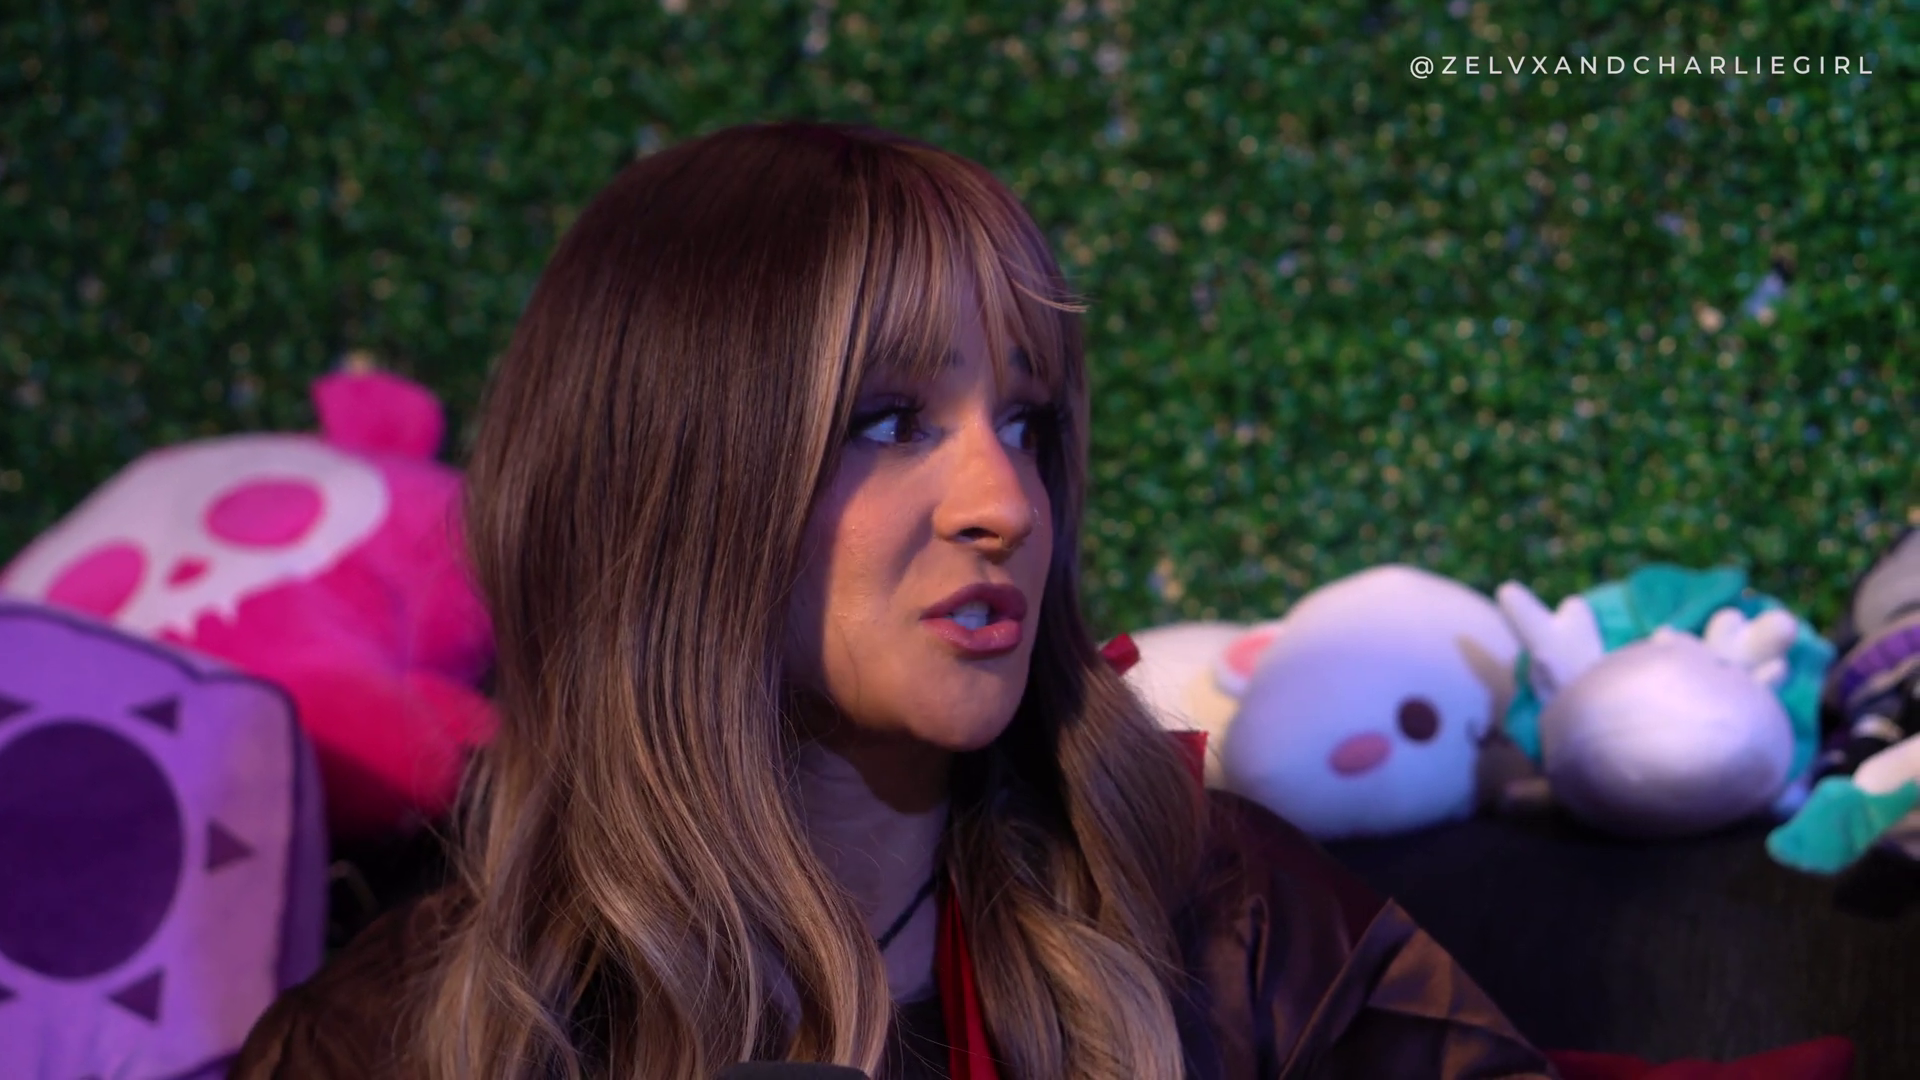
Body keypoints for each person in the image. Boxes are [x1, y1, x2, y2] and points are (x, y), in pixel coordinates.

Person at [232, 121, 1554, 1080]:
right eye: (889, 419)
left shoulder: (1225, 921)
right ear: (664, 482)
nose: (1006, 502)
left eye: (1028, 421)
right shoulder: (381, 1042)